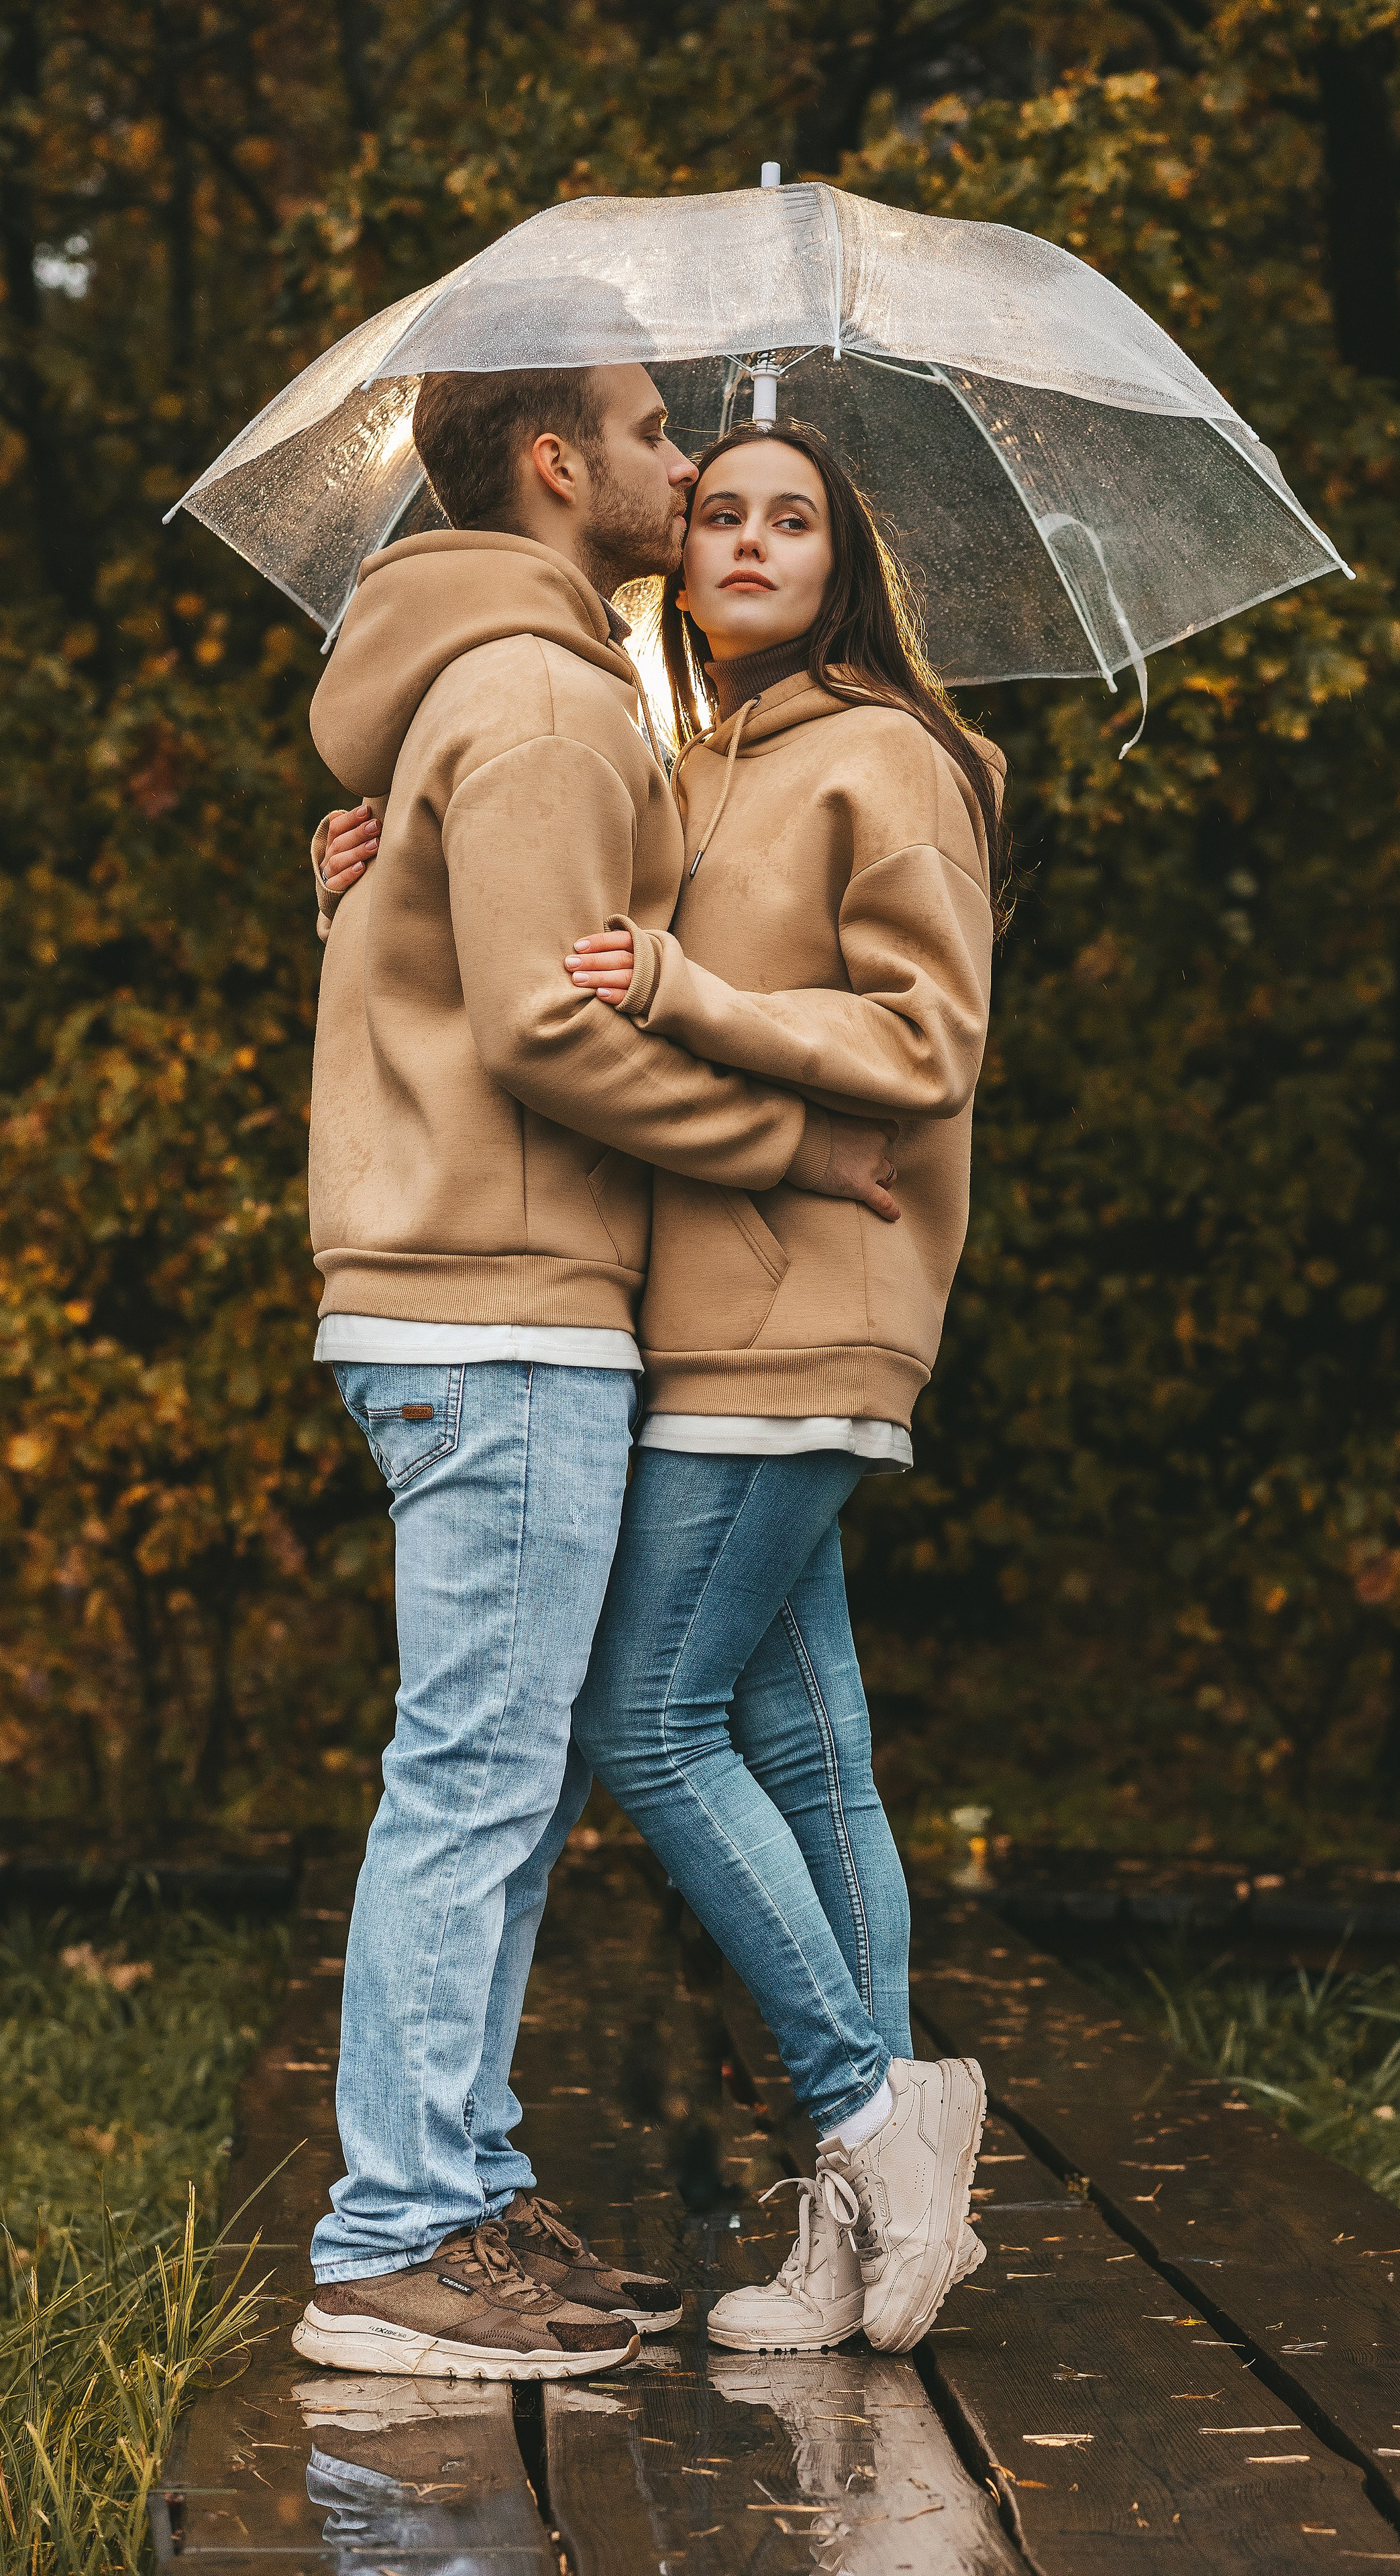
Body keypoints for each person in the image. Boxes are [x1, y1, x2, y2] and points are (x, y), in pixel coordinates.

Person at [290, 363, 899, 2382]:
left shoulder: (496, 680)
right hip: (503, 1299)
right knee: (476, 1777)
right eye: (656, 443)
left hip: (473, 1290)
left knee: (493, 1771)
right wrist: (790, 1146)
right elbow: (551, 1035)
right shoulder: (546, 697)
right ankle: (398, 2235)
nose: (684, 475)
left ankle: (455, 2193)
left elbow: (453, 973)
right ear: (559, 464)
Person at [561, 421, 1006, 2355]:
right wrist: (380, 867)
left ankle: (868, 2116)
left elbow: (930, 1034)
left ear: (844, 562)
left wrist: (683, 988)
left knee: (643, 1719)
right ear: (681, 547)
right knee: (813, 1755)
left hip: (810, 1299)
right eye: (719, 509)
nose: (746, 538)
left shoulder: (885, 753)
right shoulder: (691, 754)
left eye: (790, 518)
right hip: (712, 1309)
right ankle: (868, 2229)